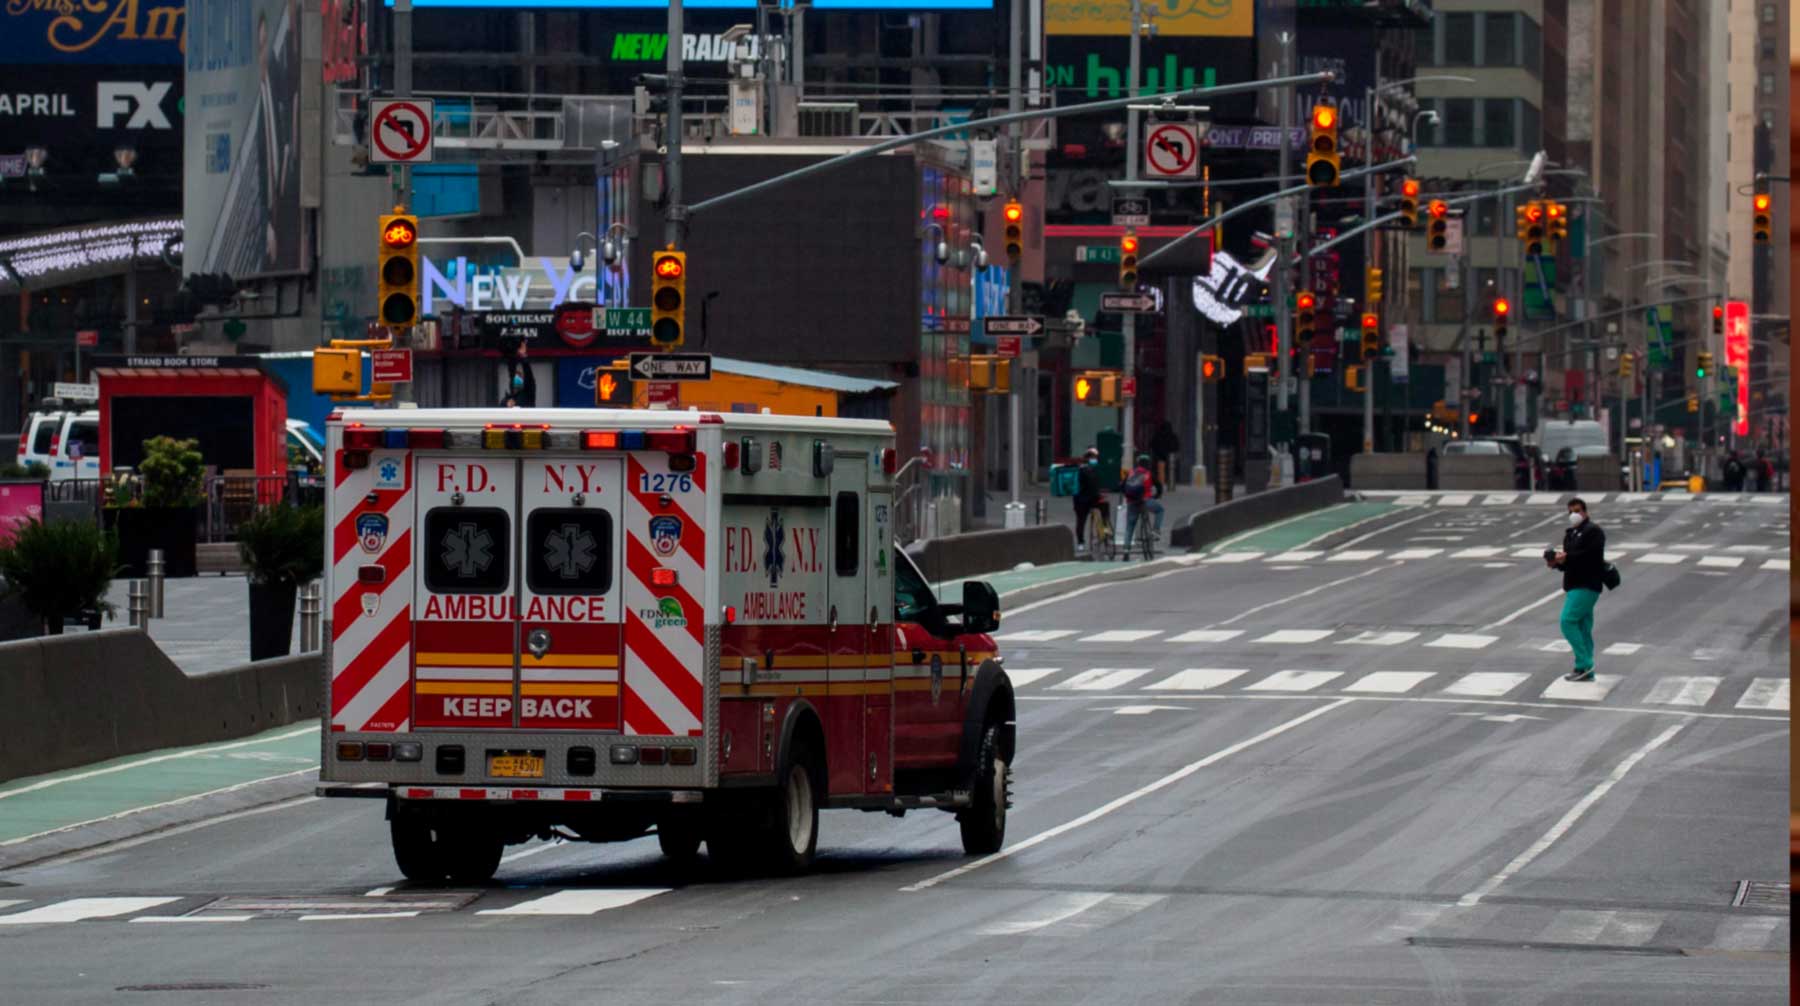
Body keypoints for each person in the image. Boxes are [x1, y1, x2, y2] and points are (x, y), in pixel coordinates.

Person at [1547, 497, 1606, 682]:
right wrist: (1556, 562)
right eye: (1571, 512)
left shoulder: (1593, 532)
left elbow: (1591, 557)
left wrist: (1567, 558)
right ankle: (1586, 671)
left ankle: (1585, 664)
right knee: (1583, 627)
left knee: (1567, 621)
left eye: (1578, 511)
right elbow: (1570, 562)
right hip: (1574, 584)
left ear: (1586, 511)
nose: (1575, 515)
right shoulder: (1571, 533)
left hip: (1587, 584)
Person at [1122, 452, 1164, 549]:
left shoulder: (1131, 473)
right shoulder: (1149, 474)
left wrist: (1128, 496)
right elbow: (1159, 486)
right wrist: (1156, 496)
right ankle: (1156, 530)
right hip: (1146, 501)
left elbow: (1122, 486)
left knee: (1130, 526)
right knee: (1160, 510)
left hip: (1132, 502)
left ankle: (1126, 550)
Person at [1073, 448, 1104, 550]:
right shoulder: (1091, 470)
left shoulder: (1078, 469)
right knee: (1103, 510)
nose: (1095, 460)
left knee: (1080, 521)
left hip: (1079, 500)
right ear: (1090, 458)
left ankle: (1080, 543)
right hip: (1091, 499)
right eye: (1094, 458)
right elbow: (1093, 486)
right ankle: (1103, 533)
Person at [1150, 422, 1181, 493]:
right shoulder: (1172, 436)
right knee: (1170, 471)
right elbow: (1176, 446)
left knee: (1160, 471)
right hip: (1170, 456)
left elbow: (1152, 445)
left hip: (1160, 456)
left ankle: (1161, 484)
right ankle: (1169, 485)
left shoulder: (1157, 435)